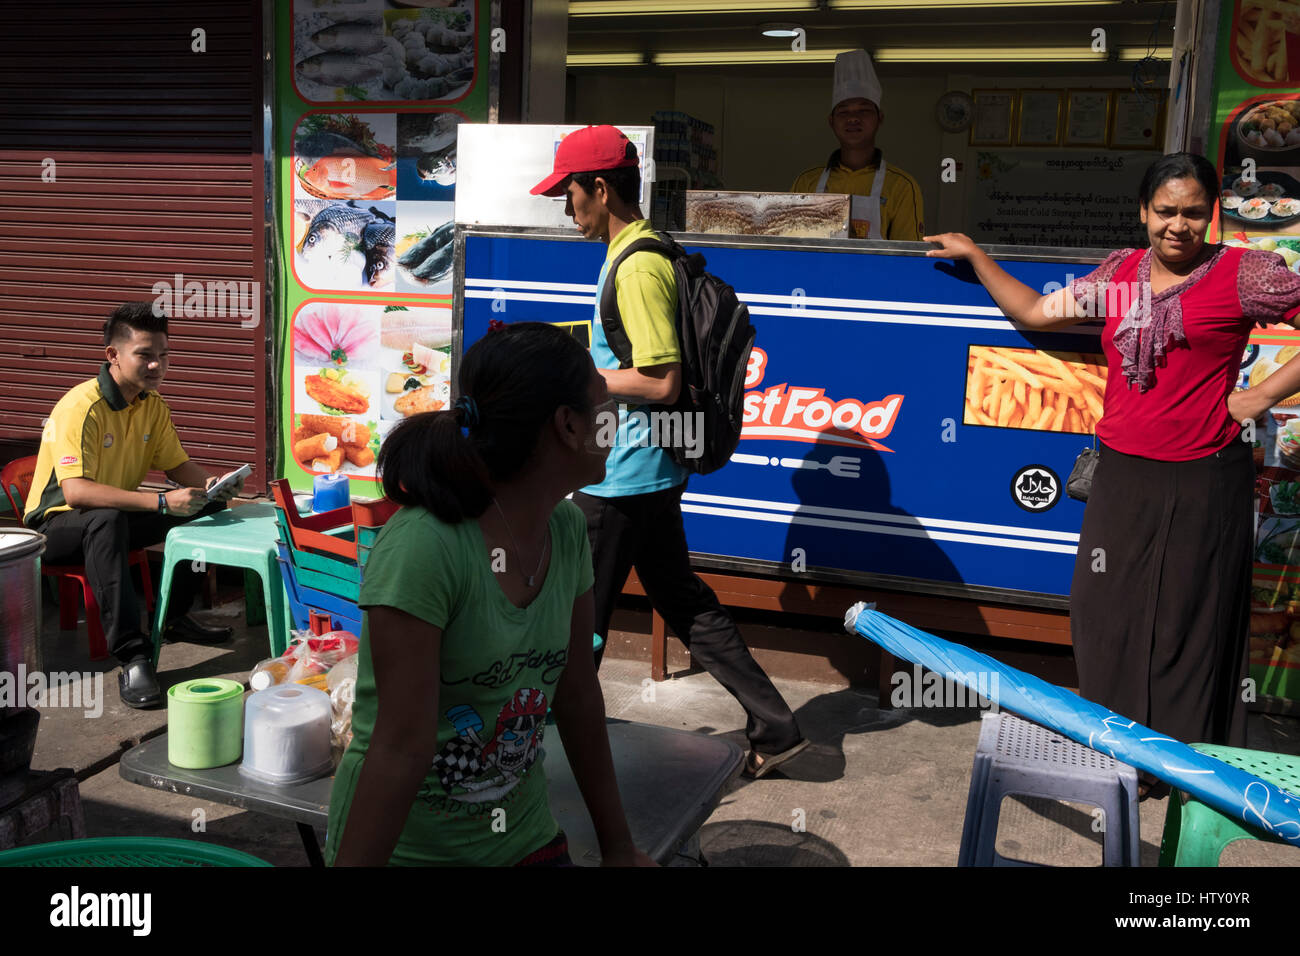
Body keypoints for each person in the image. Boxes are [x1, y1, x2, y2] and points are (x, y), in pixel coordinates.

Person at [925, 153, 1300, 788]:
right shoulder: (1122, 274)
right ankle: (1117, 744)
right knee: (1104, 613)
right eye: (1164, 211)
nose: (1177, 226)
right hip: (1122, 472)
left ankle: (1176, 765)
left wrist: (1263, 396)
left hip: (1205, 473)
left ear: (1211, 214)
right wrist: (977, 255)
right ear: (1143, 212)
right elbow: (1037, 314)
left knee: (1186, 620)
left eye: (1192, 213)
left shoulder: (1243, 272)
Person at [530, 124, 810, 780]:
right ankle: (775, 724)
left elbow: (661, 379)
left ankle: (546, 758)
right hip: (650, 466)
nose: (565, 206)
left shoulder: (635, 265)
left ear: (599, 188)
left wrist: (577, 382)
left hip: (621, 473)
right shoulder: (648, 249)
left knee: (579, 617)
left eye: (568, 193)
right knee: (679, 596)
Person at [327, 321, 654, 867]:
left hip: (526, 841)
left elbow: (575, 695)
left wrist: (619, 847)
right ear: (569, 426)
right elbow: (400, 749)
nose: (614, 425)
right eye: (606, 410)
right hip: (411, 854)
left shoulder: (568, 531)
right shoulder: (424, 548)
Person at [24, 302, 244, 709]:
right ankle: (133, 655)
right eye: (145, 355)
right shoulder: (80, 407)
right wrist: (161, 502)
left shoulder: (151, 404)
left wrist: (212, 486)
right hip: (55, 530)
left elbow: (176, 464)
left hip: (114, 517)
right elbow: (75, 493)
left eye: (163, 355)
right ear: (113, 355)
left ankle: (173, 618)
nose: (156, 366)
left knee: (205, 510)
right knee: (105, 521)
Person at [790, 49, 925, 241]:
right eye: (843, 112)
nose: (853, 118)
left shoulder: (902, 186)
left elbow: (906, 258)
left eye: (864, 110)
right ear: (831, 121)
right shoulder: (805, 182)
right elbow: (792, 245)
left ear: (880, 119)